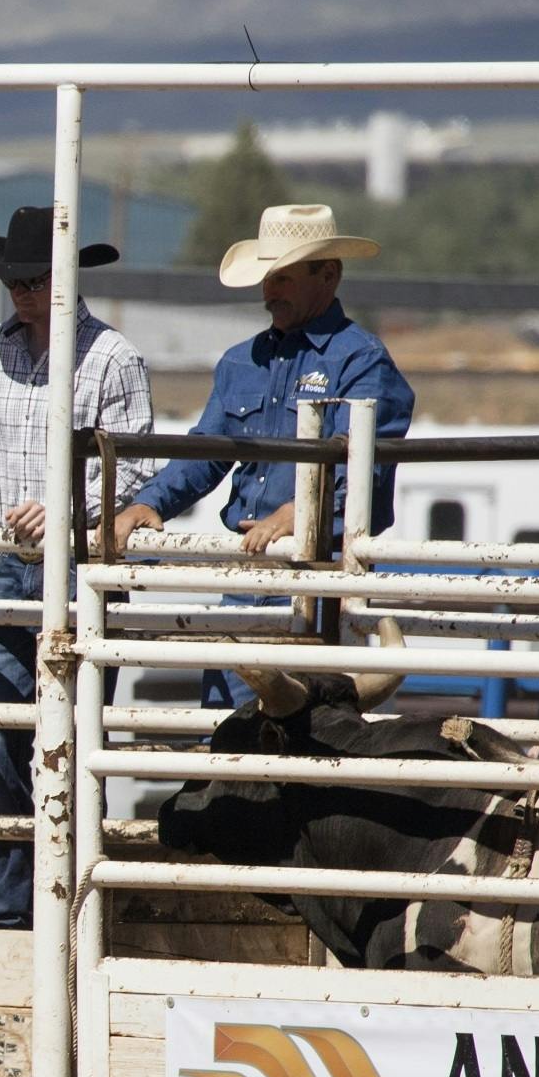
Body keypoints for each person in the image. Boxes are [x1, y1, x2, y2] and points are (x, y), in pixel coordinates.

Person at [0, 206, 156, 930]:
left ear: (64, 277)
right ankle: (17, 913)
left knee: (76, 743)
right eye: (12, 278)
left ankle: (77, 910)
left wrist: (67, 509)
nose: (20, 290)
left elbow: (135, 468)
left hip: (81, 570)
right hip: (13, 567)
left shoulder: (113, 356)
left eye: (32, 277)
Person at [102, 203, 415, 708]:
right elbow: (207, 451)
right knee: (231, 726)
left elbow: (366, 476)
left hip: (323, 583)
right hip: (248, 575)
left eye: (283, 277)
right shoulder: (241, 362)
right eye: (267, 277)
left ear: (328, 275)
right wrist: (151, 504)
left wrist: (301, 514)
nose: (270, 291)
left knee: (309, 731)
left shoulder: (362, 360)